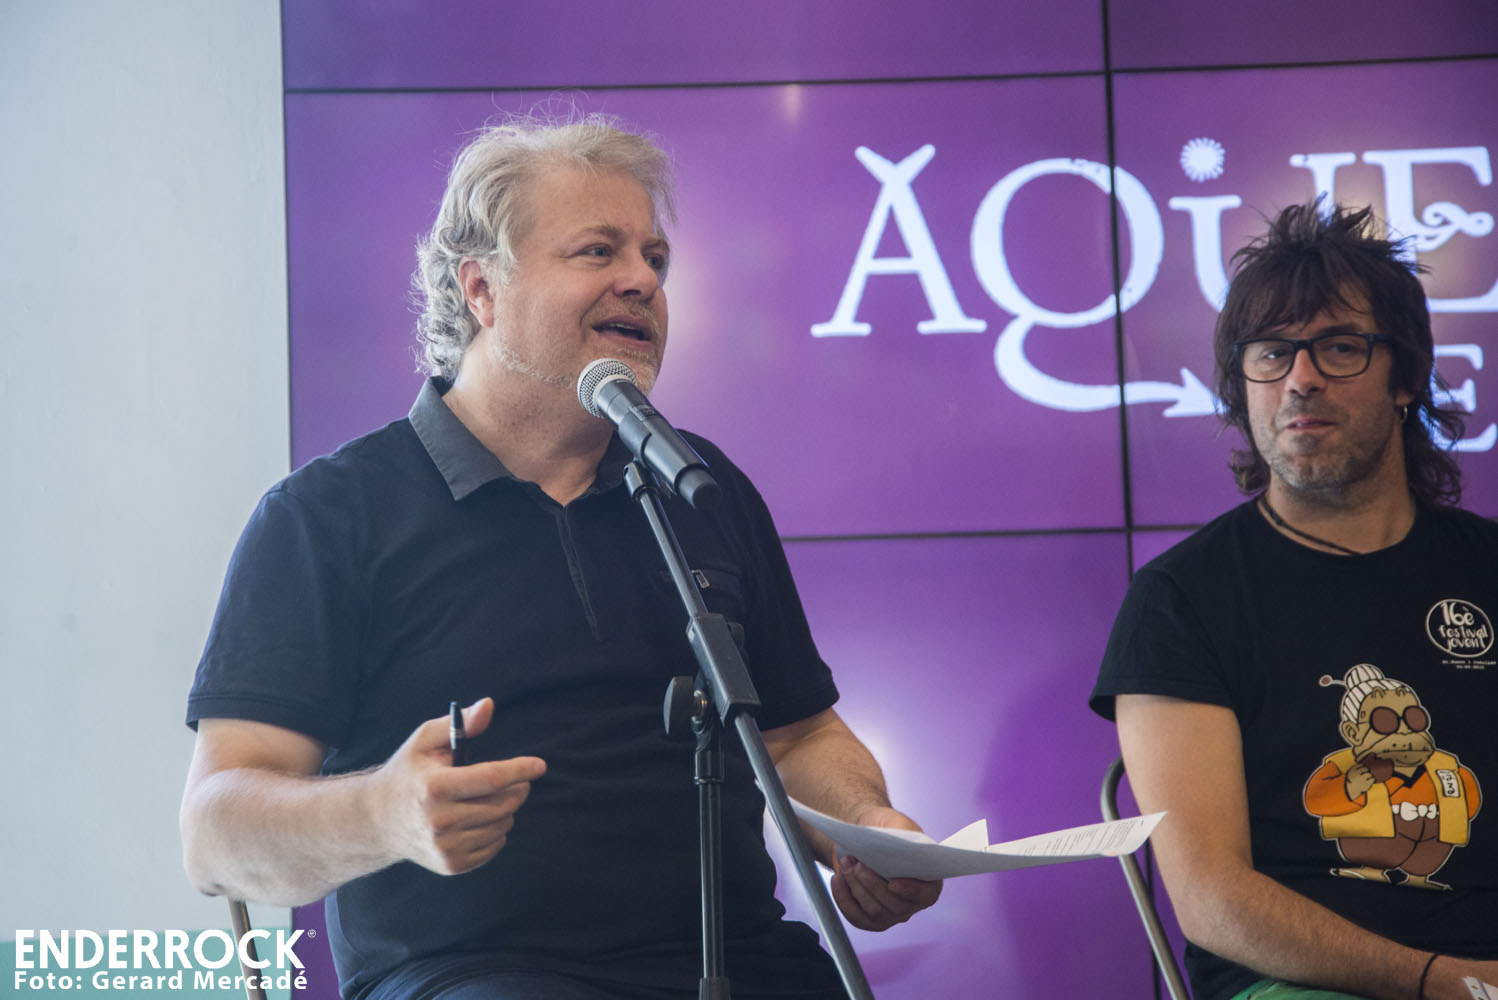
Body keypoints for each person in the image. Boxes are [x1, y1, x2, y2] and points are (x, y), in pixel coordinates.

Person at [180, 114, 939, 1000]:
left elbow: (799, 733)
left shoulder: (700, 487)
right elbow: (214, 837)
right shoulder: (327, 516)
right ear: (481, 289)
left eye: (655, 257)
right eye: (597, 251)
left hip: (741, 963)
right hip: (476, 975)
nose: (642, 280)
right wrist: (382, 813)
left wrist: (866, 826)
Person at [1091, 200, 1497, 1000]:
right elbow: (1212, 900)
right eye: (1272, 353)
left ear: (1406, 378)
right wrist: (1453, 984)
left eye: (1340, 347)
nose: (1301, 379)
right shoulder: (1181, 598)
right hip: (1297, 983)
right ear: (1242, 387)